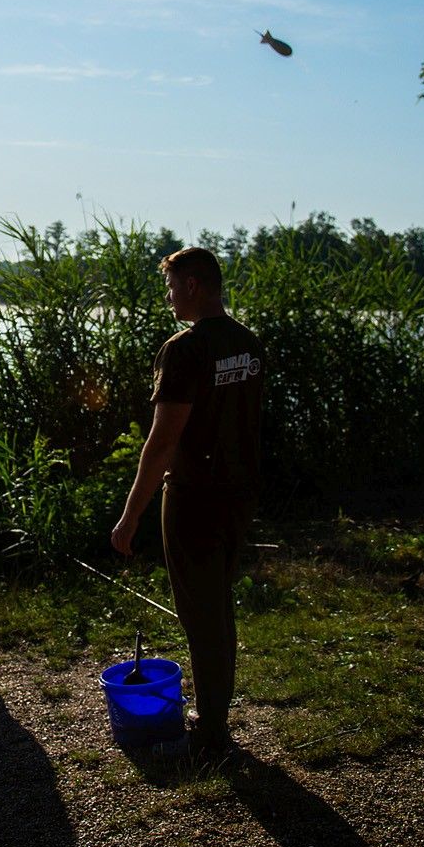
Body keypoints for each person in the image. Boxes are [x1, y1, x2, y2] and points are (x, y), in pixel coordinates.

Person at [110, 247, 264, 759]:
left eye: (173, 285)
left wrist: (130, 516)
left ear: (194, 285)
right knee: (218, 605)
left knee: (200, 612)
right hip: (238, 497)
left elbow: (161, 442)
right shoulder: (248, 343)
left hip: (195, 497)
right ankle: (216, 710)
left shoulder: (184, 349)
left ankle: (213, 728)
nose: (170, 295)